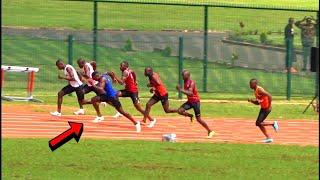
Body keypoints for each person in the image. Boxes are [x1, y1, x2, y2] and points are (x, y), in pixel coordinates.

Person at [176, 70, 215, 138]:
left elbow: (191, 93)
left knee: (199, 119)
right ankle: (190, 115)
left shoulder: (192, 83)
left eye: (183, 75)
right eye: (182, 75)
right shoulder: (185, 81)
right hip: (190, 102)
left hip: (195, 102)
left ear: (188, 76)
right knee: (180, 110)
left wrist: (180, 90)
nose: (182, 77)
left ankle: (210, 131)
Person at [248, 79, 279, 143]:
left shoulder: (259, 90)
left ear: (255, 84)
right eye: (250, 84)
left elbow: (269, 95)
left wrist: (269, 106)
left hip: (266, 108)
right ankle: (268, 138)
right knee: (258, 123)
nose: (250, 85)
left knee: (258, 123)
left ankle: (273, 124)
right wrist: (251, 101)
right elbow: (258, 103)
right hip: (263, 108)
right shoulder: (255, 91)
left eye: (251, 84)